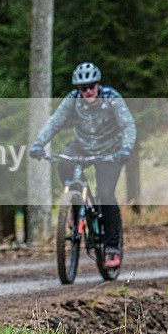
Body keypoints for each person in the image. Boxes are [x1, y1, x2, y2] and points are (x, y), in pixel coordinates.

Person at [29, 62, 135, 268]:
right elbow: (55, 122)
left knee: (105, 195)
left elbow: (127, 124)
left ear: (98, 84)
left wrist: (126, 149)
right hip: (82, 147)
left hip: (110, 152)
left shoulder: (111, 98)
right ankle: (76, 204)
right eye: (83, 88)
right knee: (64, 163)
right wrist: (39, 143)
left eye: (91, 86)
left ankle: (112, 247)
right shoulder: (73, 101)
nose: (87, 91)